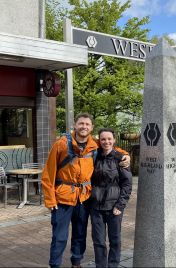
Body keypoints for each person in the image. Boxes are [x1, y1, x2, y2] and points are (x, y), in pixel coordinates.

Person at [41, 113, 130, 268]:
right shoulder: (61, 144)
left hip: (84, 197)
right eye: (81, 123)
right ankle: (55, 264)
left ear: (91, 127)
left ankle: (76, 263)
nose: (84, 127)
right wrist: (50, 199)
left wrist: (126, 156)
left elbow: (111, 148)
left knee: (80, 234)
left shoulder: (94, 144)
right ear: (75, 125)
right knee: (60, 236)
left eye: (87, 124)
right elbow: (48, 174)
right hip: (62, 197)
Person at [90, 128, 132, 268]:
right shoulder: (94, 157)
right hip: (96, 207)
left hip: (114, 208)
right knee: (98, 241)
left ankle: (113, 265)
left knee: (114, 240)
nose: (106, 142)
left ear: (114, 140)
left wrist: (120, 205)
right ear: (99, 141)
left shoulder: (121, 158)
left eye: (109, 139)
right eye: (103, 139)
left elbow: (126, 184)